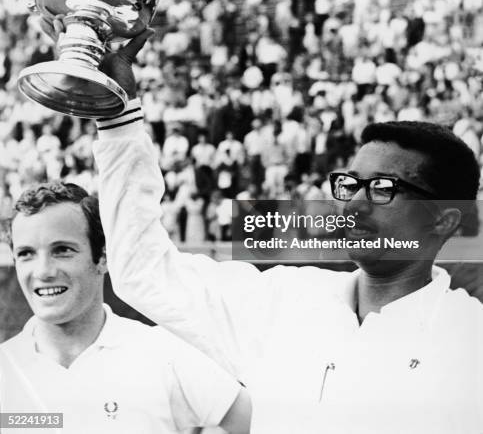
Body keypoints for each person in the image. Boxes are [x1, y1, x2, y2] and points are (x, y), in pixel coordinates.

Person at [94, 35, 483, 433]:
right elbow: (143, 273)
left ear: (444, 220)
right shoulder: (283, 301)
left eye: (383, 188)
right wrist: (118, 120)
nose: (353, 205)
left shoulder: (469, 342)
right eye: (349, 184)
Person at [0, 180, 251, 434]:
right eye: (26, 254)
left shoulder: (164, 353)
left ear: (104, 258)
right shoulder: (5, 368)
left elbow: (263, 421)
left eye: (62, 250)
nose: (43, 271)